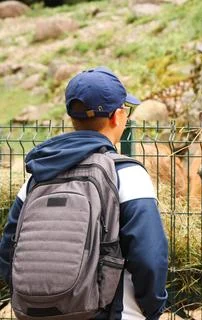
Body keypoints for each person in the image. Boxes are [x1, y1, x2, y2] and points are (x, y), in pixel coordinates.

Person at [0, 66, 168, 320]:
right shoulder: (127, 174)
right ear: (118, 116)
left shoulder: (38, 176)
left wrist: (42, 302)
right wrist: (153, 308)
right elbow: (150, 256)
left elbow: (7, 251)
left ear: (72, 118)